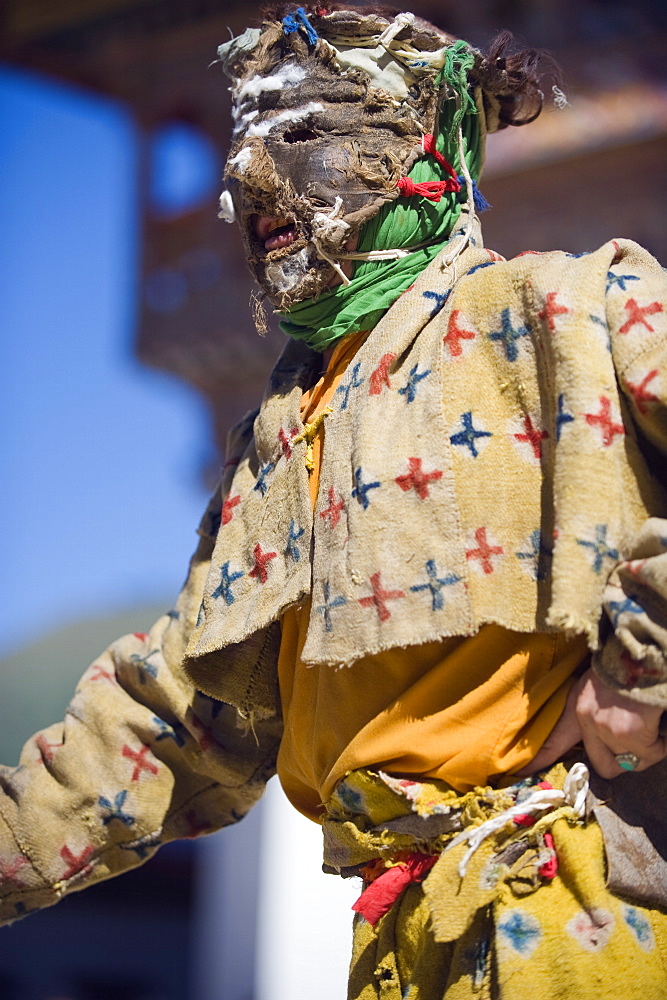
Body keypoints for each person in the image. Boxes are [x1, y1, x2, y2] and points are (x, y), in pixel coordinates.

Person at [2, 4, 667, 997]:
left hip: (579, 910)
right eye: (238, 144)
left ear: (419, 155)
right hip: (398, 935)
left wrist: (641, 671)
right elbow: (185, 714)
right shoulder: (282, 431)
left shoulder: (572, 310)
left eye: (300, 134)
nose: (242, 177)